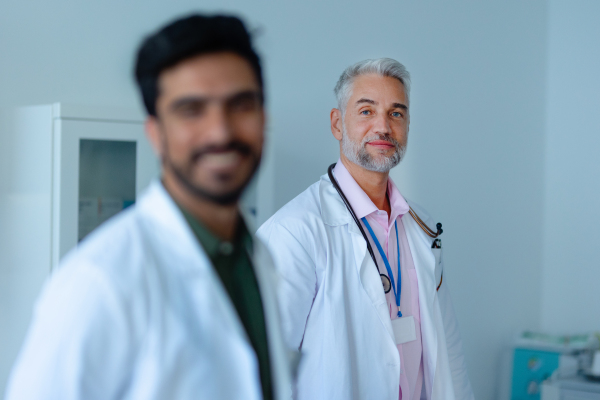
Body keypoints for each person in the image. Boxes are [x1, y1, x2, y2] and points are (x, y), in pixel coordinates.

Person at [6, 14, 291, 400]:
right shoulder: (99, 282)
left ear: (263, 117)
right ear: (156, 133)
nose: (221, 131)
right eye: (192, 110)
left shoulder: (256, 259)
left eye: (241, 105)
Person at [257, 58, 473, 400]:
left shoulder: (423, 227)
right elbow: (262, 368)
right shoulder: (294, 232)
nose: (383, 127)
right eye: (366, 112)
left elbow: (449, 349)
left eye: (396, 113)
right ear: (337, 124)